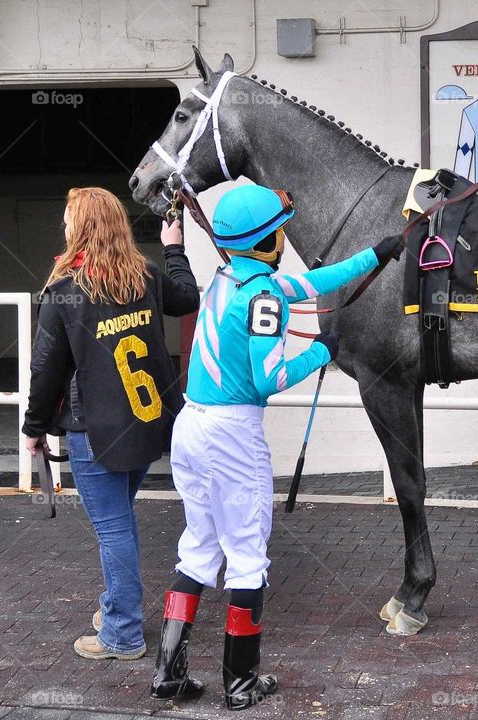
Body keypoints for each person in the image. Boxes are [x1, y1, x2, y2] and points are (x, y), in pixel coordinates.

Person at [150, 184, 401, 710]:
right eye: (280, 229)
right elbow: (270, 377)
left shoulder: (228, 279)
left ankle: (169, 676)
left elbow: (310, 283)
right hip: (232, 436)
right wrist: (322, 351)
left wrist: (377, 253)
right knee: (246, 559)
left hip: (192, 428)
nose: (285, 236)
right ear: (269, 240)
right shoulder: (263, 296)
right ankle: (240, 685)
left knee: (198, 547)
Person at [22, 187, 200, 660]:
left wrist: (33, 427)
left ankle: (121, 633)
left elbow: (46, 370)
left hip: (94, 432)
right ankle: (115, 604)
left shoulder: (64, 292)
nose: (63, 226)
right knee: (119, 521)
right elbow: (188, 298)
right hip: (147, 424)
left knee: (113, 528)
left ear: (79, 227)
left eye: (67, 219)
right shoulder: (144, 277)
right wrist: (175, 247)